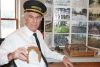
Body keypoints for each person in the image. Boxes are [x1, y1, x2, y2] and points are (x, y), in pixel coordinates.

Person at [0, 0, 73, 67]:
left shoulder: (38, 33)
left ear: (41, 19)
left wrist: (62, 57)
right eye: (31, 17)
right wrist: (12, 55)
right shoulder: (14, 37)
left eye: (38, 17)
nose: (35, 21)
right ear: (25, 18)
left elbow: (46, 52)